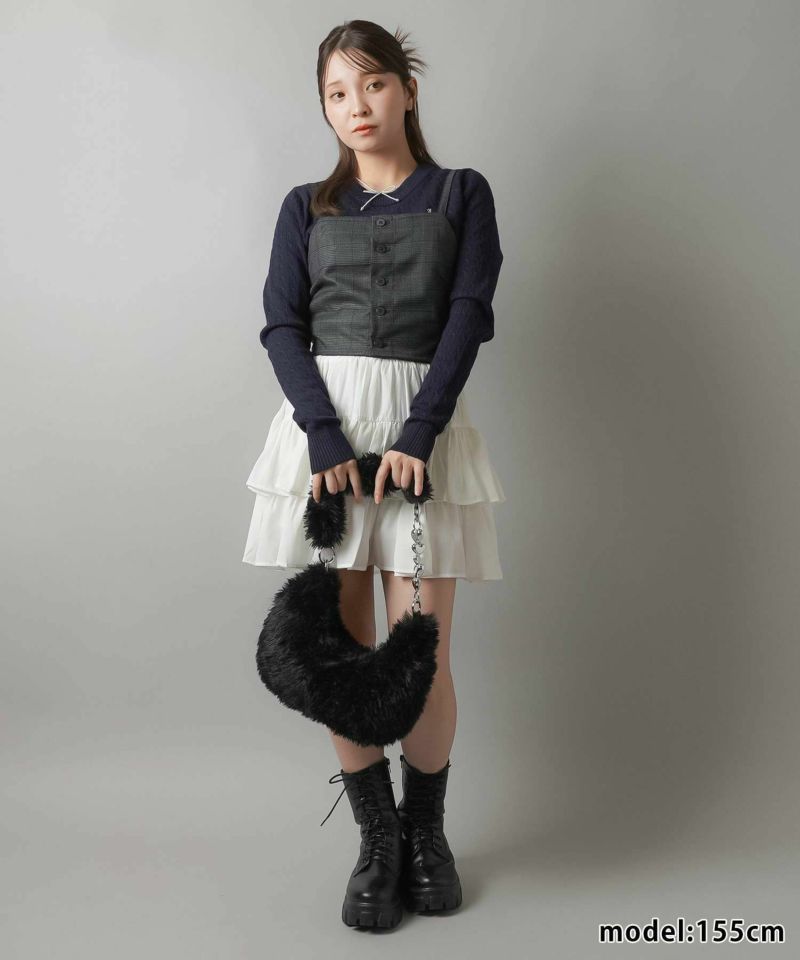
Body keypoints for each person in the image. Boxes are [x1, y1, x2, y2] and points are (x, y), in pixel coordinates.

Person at [242, 19, 506, 930]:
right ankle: (377, 838)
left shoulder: (461, 193)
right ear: (325, 107)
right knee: (344, 648)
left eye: (373, 84)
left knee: (422, 652)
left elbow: (469, 313)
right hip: (327, 435)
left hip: (423, 434)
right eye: (336, 93)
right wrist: (322, 435)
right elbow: (282, 324)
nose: (356, 106)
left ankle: (427, 832)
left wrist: (420, 432)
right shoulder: (304, 207)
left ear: (408, 89)